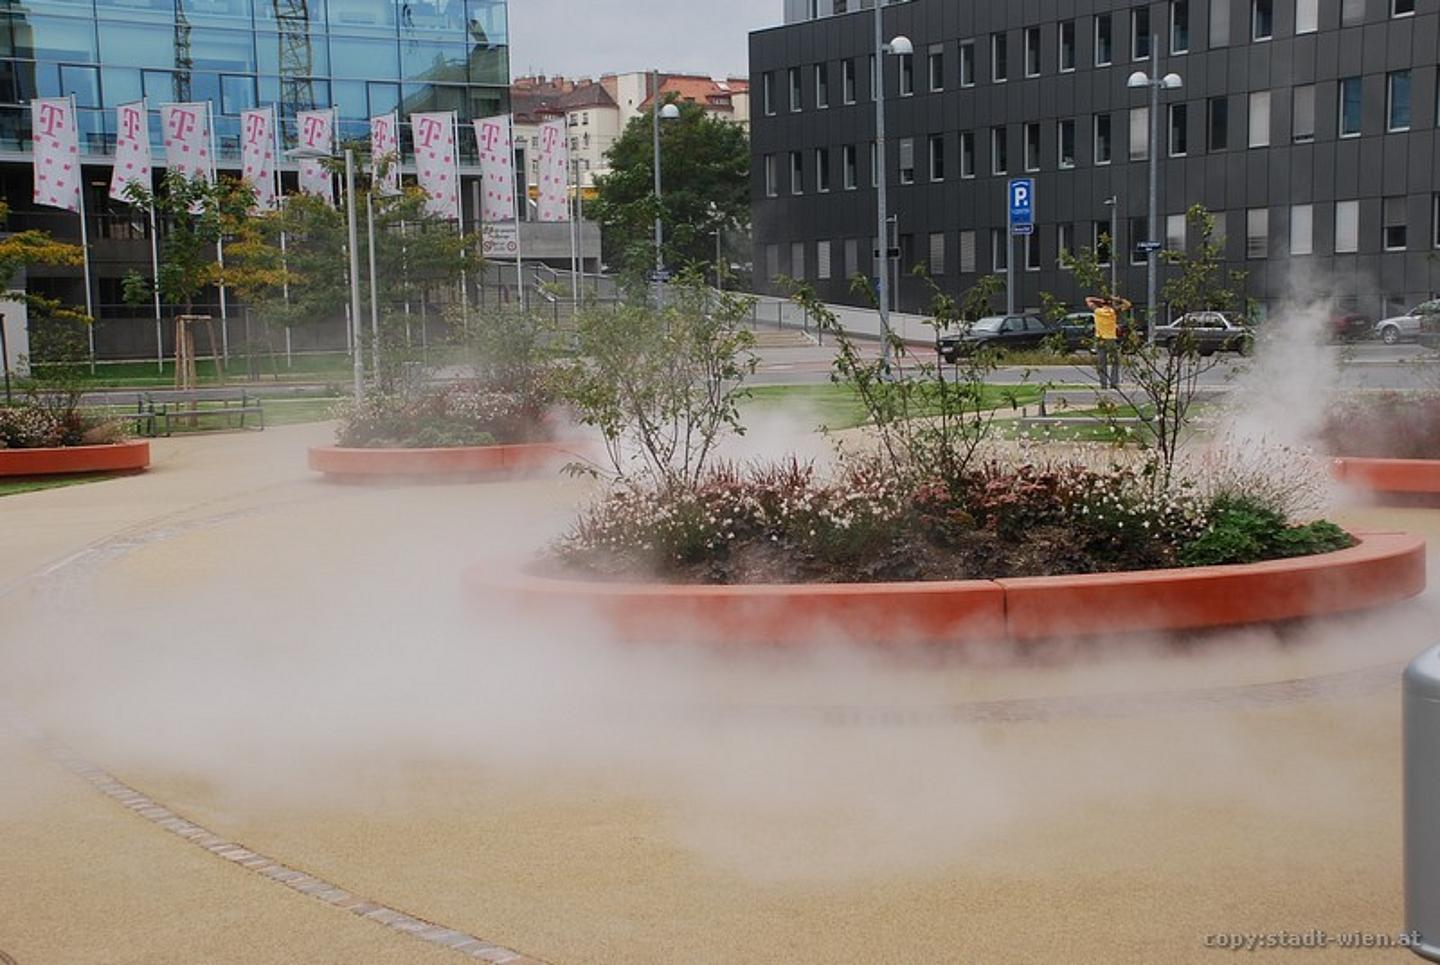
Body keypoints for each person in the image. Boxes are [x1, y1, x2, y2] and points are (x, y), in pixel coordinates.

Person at [1085, 294, 1132, 389]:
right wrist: (1116, 299)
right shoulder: (1113, 311)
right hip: (1111, 339)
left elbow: (1088, 299)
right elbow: (1128, 304)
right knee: (1115, 362)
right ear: (1110, 304)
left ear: (1102, 304)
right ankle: (1114, 383)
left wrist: (1100, 299)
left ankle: (1103, 384)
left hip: (1100, 339)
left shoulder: (1098, 311)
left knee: (1102, 363)